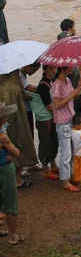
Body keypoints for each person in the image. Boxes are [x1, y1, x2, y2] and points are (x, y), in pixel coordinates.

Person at [0, 70, 38, 188]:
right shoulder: (12, 85)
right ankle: (17, 179)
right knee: (18, 138)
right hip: (13, 104)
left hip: (8, 97)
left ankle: (14, 177)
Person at [51, 66, 81, 192]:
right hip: (63, 122)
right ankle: (64, 180)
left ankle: (69, 176)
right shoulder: (57, 85)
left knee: (72, 150)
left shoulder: (68, 81)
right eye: (70, 66)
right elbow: (57, 105)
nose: (72, 68)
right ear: (64, 68)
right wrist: (72, 94)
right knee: (66, 152)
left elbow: (73, 98)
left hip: (71, 119)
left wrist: (78, 89)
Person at [0, 102, 25, 245]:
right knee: (10, 203)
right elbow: (16, 152)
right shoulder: (3, 137)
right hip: (5, 169)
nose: (6, 116)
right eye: (4, 114)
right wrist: (10, 152)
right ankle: (12, 236)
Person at [29, 65, 59, 180]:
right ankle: (45, 168)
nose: (54, 70)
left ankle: (53, 164)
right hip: (44, 119)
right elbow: (48, 106)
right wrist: (60, 115)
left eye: (55, 68)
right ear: (45, 69)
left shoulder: (51, 81)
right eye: (51, 68)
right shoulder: (43, 86)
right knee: (45, 142)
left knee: (53, 140)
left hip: (50, 117)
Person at [57, 28, 81, 116]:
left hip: (77, 96)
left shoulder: (73, 57)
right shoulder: (61, 63)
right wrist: (75, 94)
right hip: (69, 102)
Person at [18, 62, 40, 140]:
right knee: (28, 136)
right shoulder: (18, 76)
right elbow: (25, 89)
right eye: (33, 70)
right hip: (24, 110)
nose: (33, 73)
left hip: (27, 109)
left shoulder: (23, 75)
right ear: (27, 66)